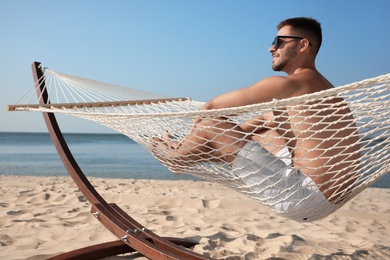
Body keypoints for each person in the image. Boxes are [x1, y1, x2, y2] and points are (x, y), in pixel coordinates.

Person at [152, 17, 360, 222]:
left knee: (210, 124)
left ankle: (176, 159)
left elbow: (210, 108)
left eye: (279, 42)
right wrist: (198, 144)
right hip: (328, 199)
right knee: (264, 131)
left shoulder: (293, 84)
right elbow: (252, 126)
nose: (271, 48)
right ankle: (186, 155)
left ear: (303, 45)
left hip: (303, 197)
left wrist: (185, 146)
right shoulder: (322, 91)